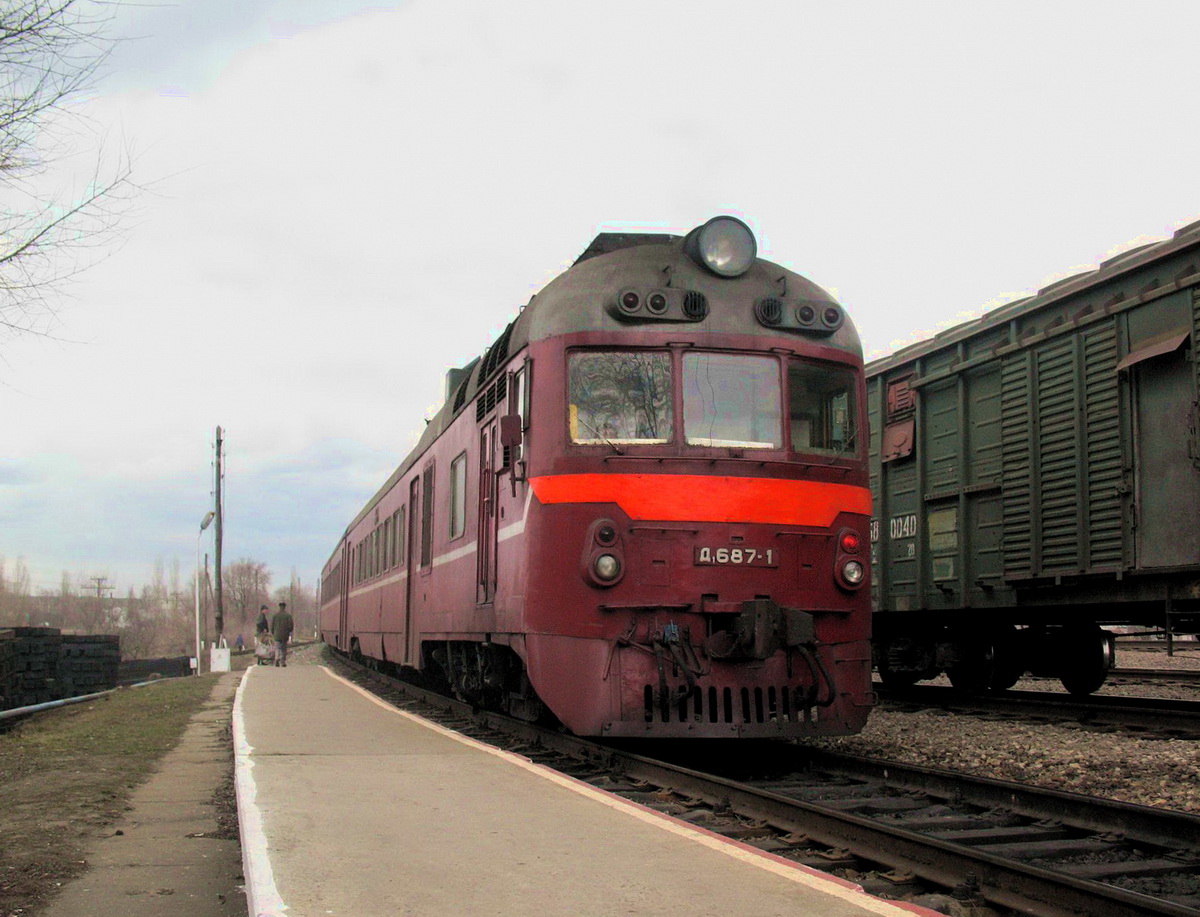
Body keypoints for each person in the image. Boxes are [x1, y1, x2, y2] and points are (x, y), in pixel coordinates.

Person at [270, 601, 294, 667]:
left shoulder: (275, 616)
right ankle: (282, 661)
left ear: (279, 607)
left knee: (277, 648)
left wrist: (273, 632)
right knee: (283, 648)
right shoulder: (288, 616)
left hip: (277, 634)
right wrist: (289, 632)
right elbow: (291, 626)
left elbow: (272, 626)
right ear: (284, 607)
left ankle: (277, 659)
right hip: (284, 635)